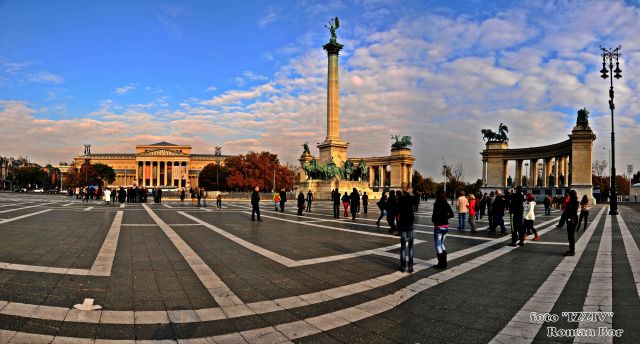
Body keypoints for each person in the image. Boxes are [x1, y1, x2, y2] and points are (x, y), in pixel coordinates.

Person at [432, 190, 454, 269]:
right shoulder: (446, 204)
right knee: (442, 243)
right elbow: (452, 214)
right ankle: (444, 262)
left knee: (438, 245)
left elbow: (433, 217)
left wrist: (436, 220)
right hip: (445, 227)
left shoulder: (436, 204)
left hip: (438, 227)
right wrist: (445, 217)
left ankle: (440, 263)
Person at [398, 191, 415, 273]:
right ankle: (410, 266)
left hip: (403, 225)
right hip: (410, 225)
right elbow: (414, 198)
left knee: (403, 247)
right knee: (411, 247)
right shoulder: (411, 202)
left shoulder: (401, 202)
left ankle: (402, 266)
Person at [563, 190, 579, 256]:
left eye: (569, 195)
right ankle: (571, 250)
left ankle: (572, 251)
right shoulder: (575, 202)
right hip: (573, 219)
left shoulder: (572, 202)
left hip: (572, 220)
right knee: (570, 236)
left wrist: (569, 219)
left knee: (571, 236)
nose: (568, 196)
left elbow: (571, 211)